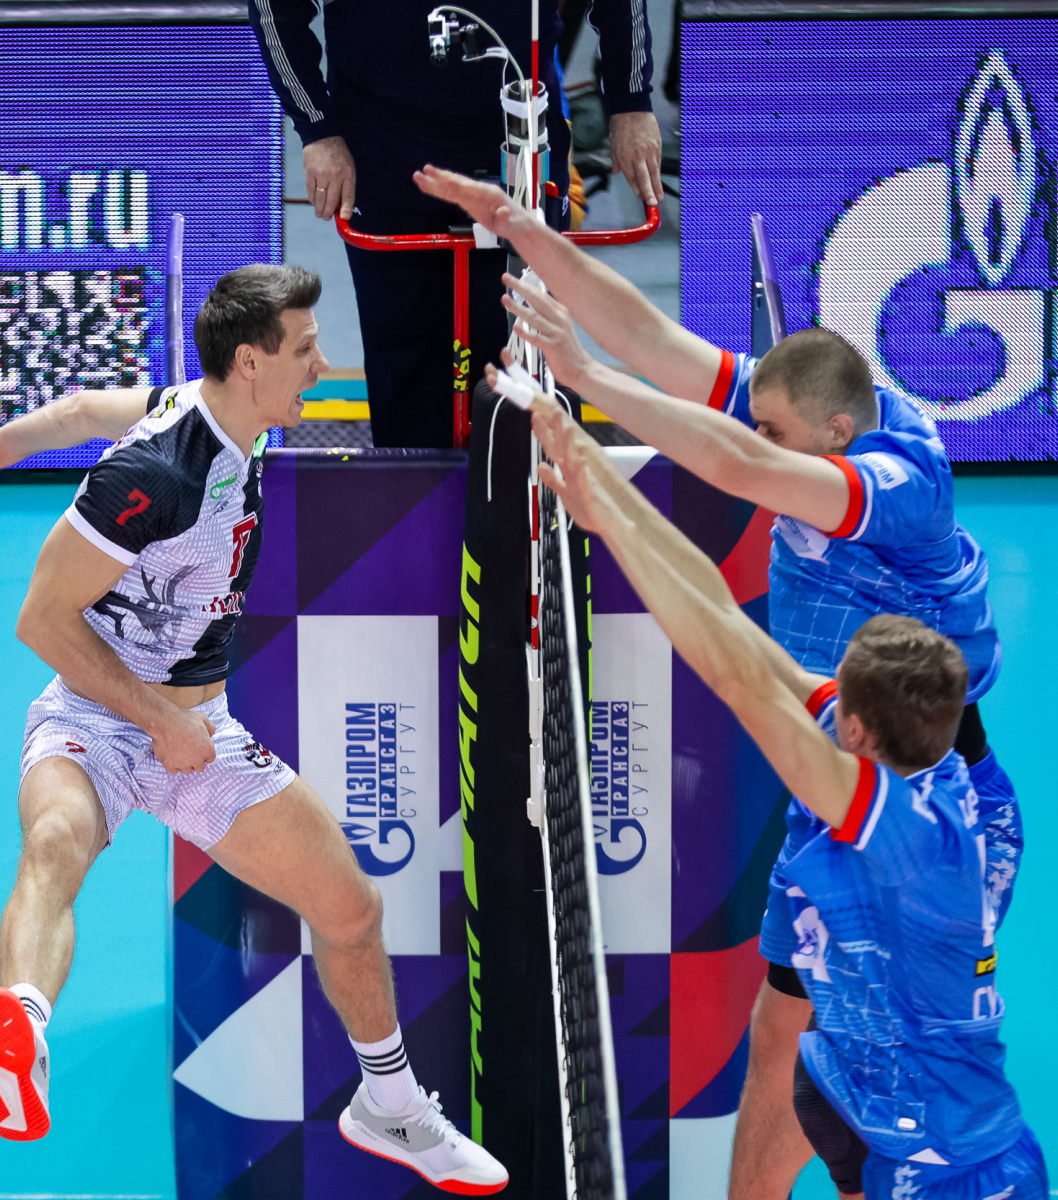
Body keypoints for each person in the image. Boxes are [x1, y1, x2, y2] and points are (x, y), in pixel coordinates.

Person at [414, 164, 1023, 1200]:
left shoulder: (899, 485)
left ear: (835, 433)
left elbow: (742, 471)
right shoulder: (816, 407)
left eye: (772, 427)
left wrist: (589, 390)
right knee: (784, 1033)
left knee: (876, 1052)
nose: (755, 429)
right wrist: (528, 231)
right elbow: (657, 341)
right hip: (843, 748)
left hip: (922, 779)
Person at [0, 264, 508, 1196]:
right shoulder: (154, 475)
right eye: (305, 350)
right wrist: (154, 718)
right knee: (56, 840)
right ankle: (20, 1026)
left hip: (199, 733)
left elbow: (85, 409)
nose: (322, 366)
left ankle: (388, 1104)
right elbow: (41, 620)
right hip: (99, 714)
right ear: (250, 361)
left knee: (352, 910)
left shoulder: (223, 415)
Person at [530, 399, 1048, 1200]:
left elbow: (736, 679)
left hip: (952, 1168)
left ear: (858, 731)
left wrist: (614, 523)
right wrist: (609, 502)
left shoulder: (909, 835)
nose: (826, 695)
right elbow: (734, 631)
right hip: (870, 1102)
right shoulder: (920, 761)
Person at [248, 0, 656, 448]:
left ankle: (525, 488)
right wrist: (317, 128)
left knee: (525, 350)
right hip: (383, 145)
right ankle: (413, 486)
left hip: (518, 135)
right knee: (404, 355)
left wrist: (631, 103)